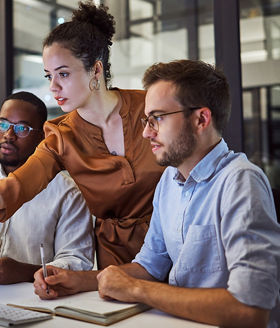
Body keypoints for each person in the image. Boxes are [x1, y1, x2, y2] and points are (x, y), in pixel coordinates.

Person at [34, 60, 280, 328]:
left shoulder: (241, 181)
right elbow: (150, 266)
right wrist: (77, 281)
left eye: (157, 119)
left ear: (201, 119)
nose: (146, 132)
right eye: (146, 119)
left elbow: (251, 311)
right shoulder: (169, 181)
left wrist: (137, 290)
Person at [0, 1, 164, 269]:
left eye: (63, 74)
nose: (53, 87)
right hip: (116, 262)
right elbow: (11, 188)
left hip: (173, 245)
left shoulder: (151, 108)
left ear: (96, 70)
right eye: (48, 76)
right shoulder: (60, 136)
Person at [0, 91, 94, 284]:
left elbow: (78, 261)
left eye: (22, 128)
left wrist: (25, 272)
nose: (9, 135)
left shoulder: (68, 193)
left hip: (34, 298)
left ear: (42, 136)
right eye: (3, 124)